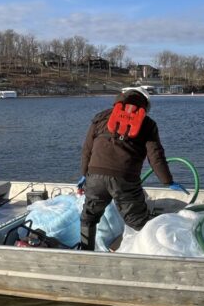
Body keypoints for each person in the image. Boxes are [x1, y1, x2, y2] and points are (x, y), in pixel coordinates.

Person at [77, 87, 183, 250]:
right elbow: (155, 156)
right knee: (139, 221)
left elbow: (87, 149)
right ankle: (150, 253)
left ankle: (85, 254)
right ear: (145, 105)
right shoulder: (147, 124)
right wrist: (167, 181)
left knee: (88, 218)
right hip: (125, 178)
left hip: (95, 176)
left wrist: (85, 174)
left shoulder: (101, 117)